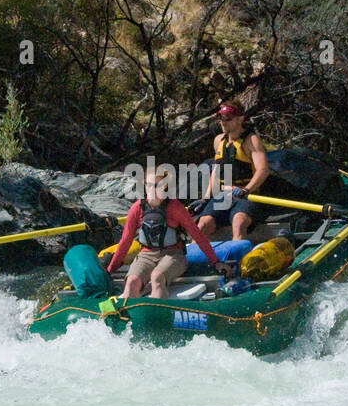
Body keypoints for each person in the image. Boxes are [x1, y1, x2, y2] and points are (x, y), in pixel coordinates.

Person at [105, 170, 228, 298]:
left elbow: (198, 236)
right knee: (131, 283)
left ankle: (158, 314)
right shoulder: (137, 208)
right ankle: (129, 315)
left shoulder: (175, 208)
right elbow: (125, 241)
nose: (152, 189)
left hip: (173, 255)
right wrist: (110, 269)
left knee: (156, 277)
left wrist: (215, 262)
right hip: (146, 255)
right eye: (149, 185)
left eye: (157, 185)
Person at [191, 101, 271, 242]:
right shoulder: (218, 141)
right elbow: (216, 171)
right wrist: (205, 198)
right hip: (223, 195)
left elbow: (263, 170)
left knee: (239, 223)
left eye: (228, 118)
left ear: (240, 119)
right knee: (202, 225)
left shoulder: (251, 140)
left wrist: (246, 190)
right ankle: (196, 260)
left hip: (246, 196)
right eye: (221, 117)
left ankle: (240, 260)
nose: (223, 122)